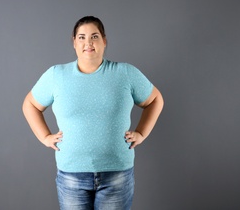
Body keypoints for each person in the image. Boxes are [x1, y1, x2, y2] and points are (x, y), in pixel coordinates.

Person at [22, 16, 164, 210]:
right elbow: (30, 104)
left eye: (94, 36)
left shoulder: (125, 73)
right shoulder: (56, 75)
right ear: (74, 42)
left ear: (104, 41)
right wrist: (45, 136)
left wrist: (141, 133)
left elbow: (155, 100)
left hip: (116, 174)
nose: (88, 42)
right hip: (72, 175)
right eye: (81, 37)